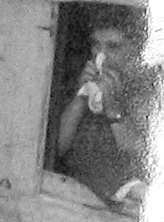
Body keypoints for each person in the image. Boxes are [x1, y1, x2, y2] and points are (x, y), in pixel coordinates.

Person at [56, 15, 150, 209]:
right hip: (68, 198)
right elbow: (55, 148)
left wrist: (113, 109)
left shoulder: (147, 92)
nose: (102, 55)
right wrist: (80, 98)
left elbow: (144, 159)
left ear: (135, 52)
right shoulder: (75, 82)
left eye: (113, 47)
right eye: (96, 45)